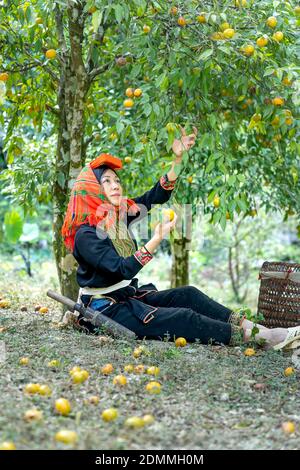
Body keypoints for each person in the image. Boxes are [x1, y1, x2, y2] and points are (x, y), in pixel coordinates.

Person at [61, 126, 300, 350]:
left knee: (188, 294)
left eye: (117, 181)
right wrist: (156, 238)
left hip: (125, 297)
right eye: (107, 181)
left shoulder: (116, 217)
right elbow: (123, 269)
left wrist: (177, 160)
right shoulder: (86, 234)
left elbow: (153, 197)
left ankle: (259, 330)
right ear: (92, 189)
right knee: (183, 317)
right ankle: (258, 339)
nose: (116, 186)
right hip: (106, 311)